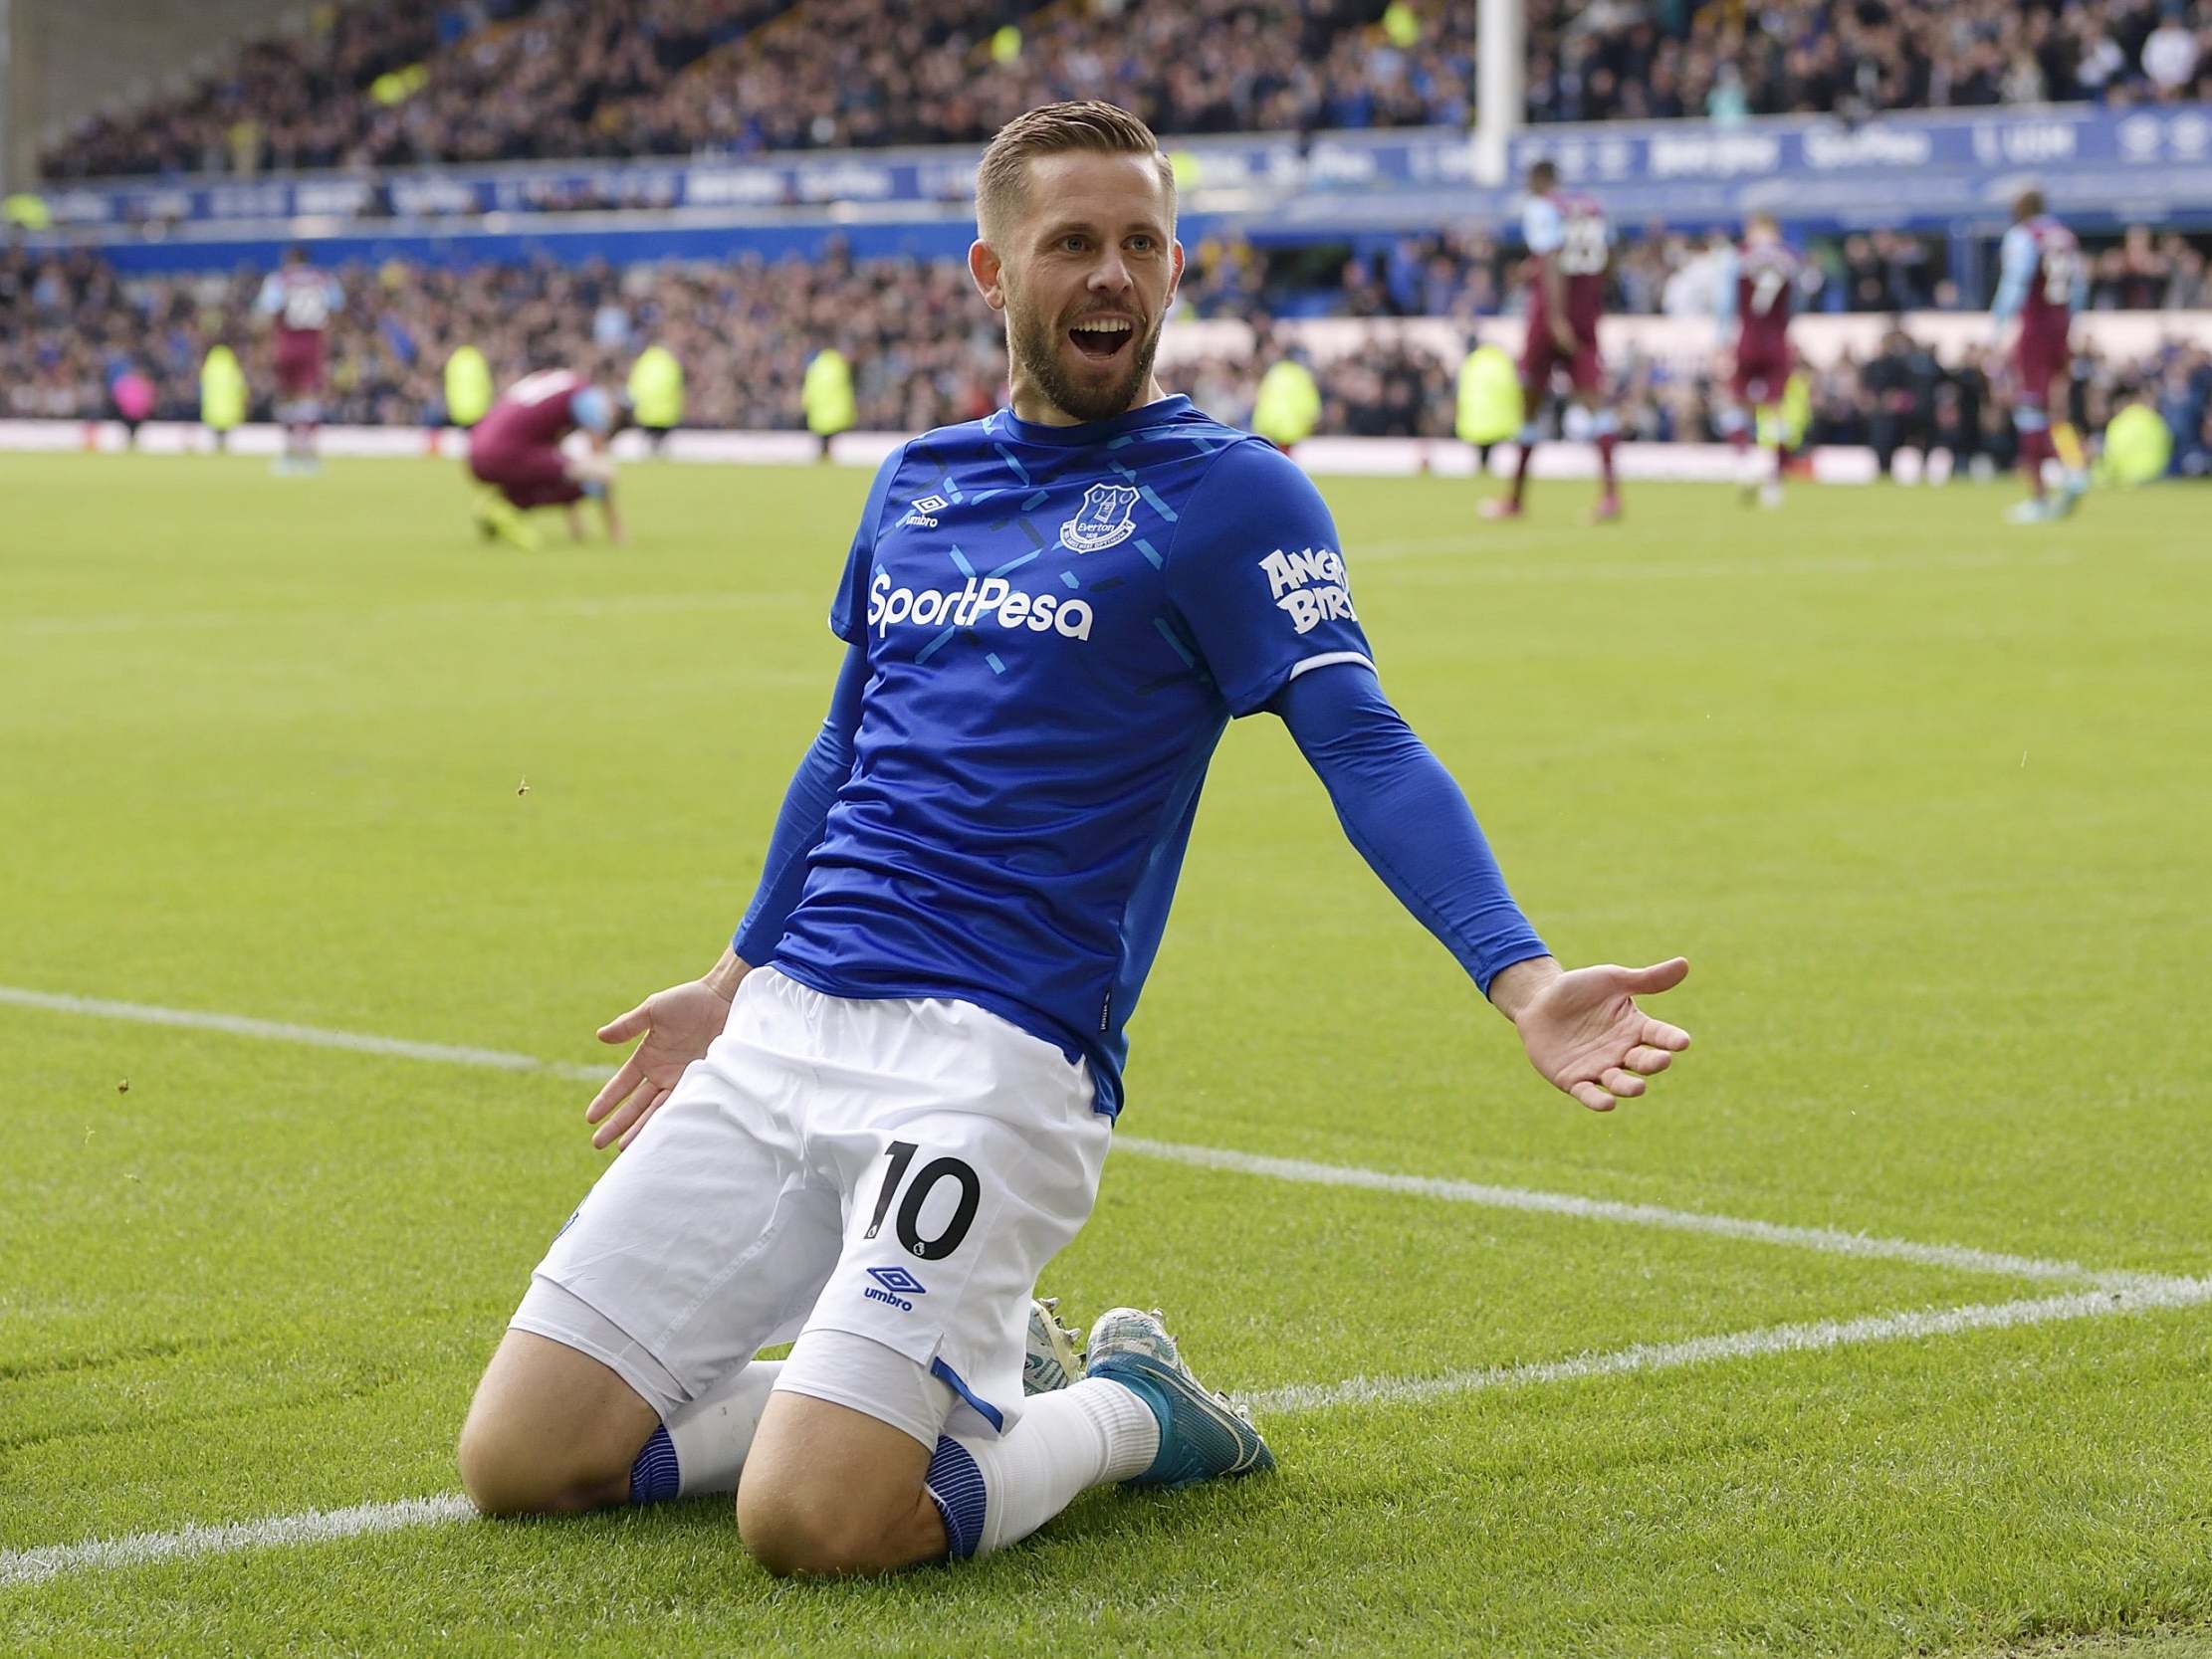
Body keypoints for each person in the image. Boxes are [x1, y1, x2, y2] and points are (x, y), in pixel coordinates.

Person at [454, 101, 1691, 1579]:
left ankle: (1121, 1406)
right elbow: (848, 747)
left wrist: (1519, 971)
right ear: (992, 270)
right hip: (785, 1027)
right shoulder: (914, 479)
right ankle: (950, 1380)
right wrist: (730, 977)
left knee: (816, 1522)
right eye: (1071, 244)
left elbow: (1362, 741)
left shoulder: (1231, 495)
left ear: (1175, 268)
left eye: (1141, 244)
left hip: (995, 1056)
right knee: (521, 1459)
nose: (1111, 274)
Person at [1484, 159, 1621, 523]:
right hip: (1586, 314)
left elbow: (1551, 258)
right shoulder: (1593, 207)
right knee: (1596, 402)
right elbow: (1608, 259)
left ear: (1539, 181)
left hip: (1549, 317)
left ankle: (1514, 500)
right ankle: (1610, 496)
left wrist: (1557, 316)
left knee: (1530, 405)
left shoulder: (1542, 208)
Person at [1991, 189, 2089, 523]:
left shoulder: (2022, 236)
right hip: (2060, 327)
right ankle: (2073, 466)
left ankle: (2040, 497)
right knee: (2057, 409)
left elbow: (2015, 283)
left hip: (2035, 329)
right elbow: (2078, 287)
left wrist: (1996, 326)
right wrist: (2068, 324)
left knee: (2030, 411)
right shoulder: (2064, 236)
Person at [465, 367, 626, 550]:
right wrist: (614, 526)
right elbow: (597, 458)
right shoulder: (584, 393)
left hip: (475, 450)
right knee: (600, 474)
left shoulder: (549, 383)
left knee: (554, 470)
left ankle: (494, 510)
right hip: (507, 453)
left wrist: (575, 523)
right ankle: (505, 507)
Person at [1715, 212, 1808, 508]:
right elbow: (1798, 300)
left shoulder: (1739, 255)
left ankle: (1744, 460)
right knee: (1776, 411)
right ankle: (1774, 482)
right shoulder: (1790, 257)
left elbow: (1726, 300)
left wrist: (1721, 340)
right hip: (1777, 340)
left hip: (1748, 338)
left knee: (1735, 402)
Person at [254, 246, 342, 475]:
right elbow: (337, 306)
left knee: (287, 397)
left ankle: (290, 453)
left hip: (287, 341)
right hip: (313, 343)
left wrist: (265, 346)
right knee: (310, 397)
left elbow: (268, 309)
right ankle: (309, 453)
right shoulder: (323, 279)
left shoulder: (279, 279)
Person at [1250, 347, 1320, 452]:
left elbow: (1263, 396)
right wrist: (1312, 417)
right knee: (1285, 459)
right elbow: (1307, 401)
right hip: (1290, 425)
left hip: (1269, 423)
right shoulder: (1300, 374)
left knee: (1271, 454)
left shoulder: (1274, 372)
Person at [628, 342, 685, 455]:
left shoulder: (642, 363)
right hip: (667, 413)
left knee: (648, 442)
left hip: (645, 412)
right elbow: (678, 386)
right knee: (661, 443)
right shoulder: (670, 363)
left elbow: (634, 387)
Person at [803, 344, 856, 460]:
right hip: (837, 414)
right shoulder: (840, 366)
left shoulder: (815, 367)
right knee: (833, 444)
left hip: (818, 414)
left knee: (823, 442)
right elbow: (845, 390)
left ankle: (824, 457)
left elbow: (809, 390)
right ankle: (828, 457)